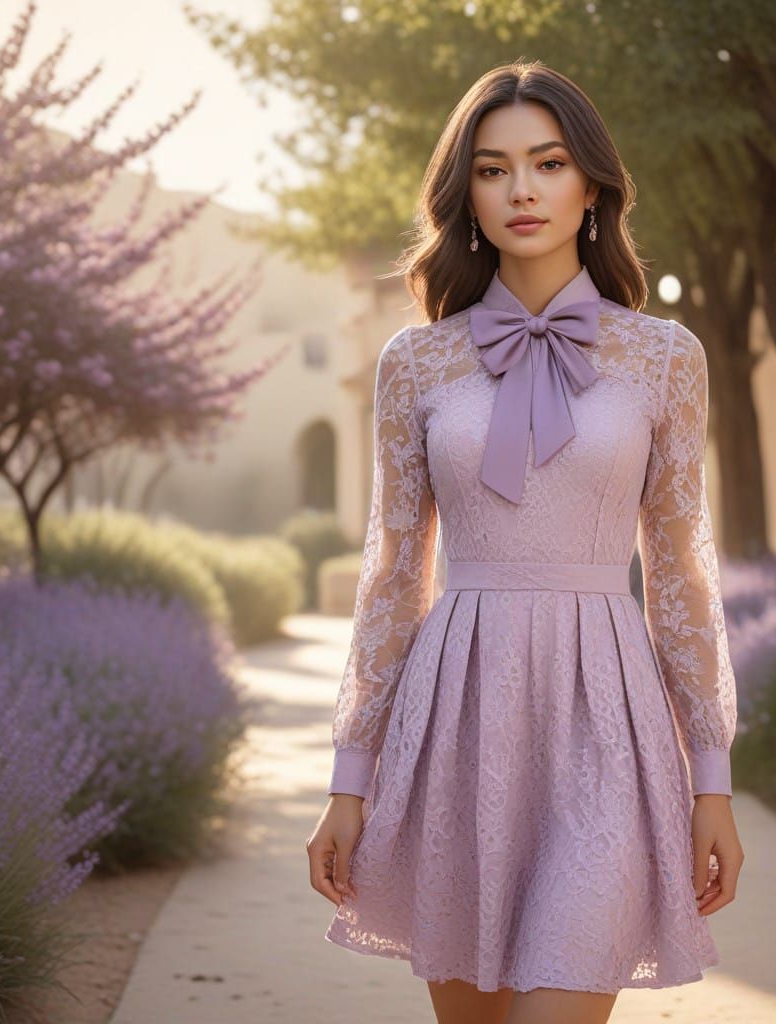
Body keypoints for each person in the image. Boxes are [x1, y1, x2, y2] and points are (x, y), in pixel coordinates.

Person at [307, 59, 745, 1024]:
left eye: (547, 164)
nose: (523, 190)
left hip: (609, 722)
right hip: (456, 718)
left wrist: (710, 778)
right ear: (465, 191)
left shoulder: (665, 357)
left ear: (591, 184)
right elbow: (392, 575)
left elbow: (681, 575)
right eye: (494, 169)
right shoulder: (416, 362)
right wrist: (351, 777)